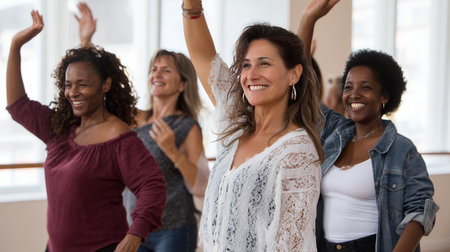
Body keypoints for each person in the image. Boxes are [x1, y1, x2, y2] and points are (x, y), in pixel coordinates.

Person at [6, 11, 166, 252]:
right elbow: (18, 106)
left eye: (83, 84)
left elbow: (152, 185)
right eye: (68, 85)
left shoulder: (118, 136)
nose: (73, 92)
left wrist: (136, 234)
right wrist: (15, 46)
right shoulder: (60, 129)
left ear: (106, 85)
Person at [182, 0, 330, 250]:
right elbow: (203, 55)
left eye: (264, 63)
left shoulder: (297, 153)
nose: (251, 75)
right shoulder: (236, 122)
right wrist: (191, 5)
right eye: (246, 65)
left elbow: (290, 246)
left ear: (294, 74)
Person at [298, 0, 439, 251]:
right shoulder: (334, 134)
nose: (354, 95)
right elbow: (303, 87)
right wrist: (309, 18)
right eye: (349, 87)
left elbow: (420, 212)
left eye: (366, 87)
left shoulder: (402, 149)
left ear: (385, 97)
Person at [74, 3, 210, 251]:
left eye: (166, 70)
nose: (156, 74)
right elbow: (101, 90)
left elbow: (201, 185)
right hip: (133, 228)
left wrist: (173, 152)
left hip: (174, 231)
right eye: (154, 69)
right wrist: (86, 42)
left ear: (182, 84)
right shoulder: (134, 119)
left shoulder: (186, 126)